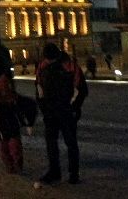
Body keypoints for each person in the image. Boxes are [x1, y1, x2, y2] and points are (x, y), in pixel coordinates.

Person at [36, 43, 87, 185]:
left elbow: (39, 90)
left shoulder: (49, 67)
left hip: (61, 111)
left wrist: (71, 107)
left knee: (61, 143)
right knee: (61, 143)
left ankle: (65, 172)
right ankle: (64, 172)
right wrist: (72, 107)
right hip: (59, 111)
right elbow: (80, 89)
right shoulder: (68, 66)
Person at [0, 75, 24, 174]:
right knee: (5, 147)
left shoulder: (13, 98)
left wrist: (24, 122)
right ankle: (10, 165)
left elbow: (19, 111)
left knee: (15, 146)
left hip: (12, 124)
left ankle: (17, 165)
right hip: (1, 126)